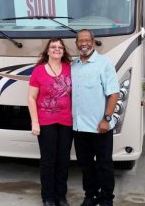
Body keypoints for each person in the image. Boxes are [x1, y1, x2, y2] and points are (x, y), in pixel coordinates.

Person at [71, 29, 120, 206]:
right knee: (85, 165)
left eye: (87, 40)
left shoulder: (104, 63)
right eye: (80, 40)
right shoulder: (73, 65)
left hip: (100, 127)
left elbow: (114, 93)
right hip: (78, 127)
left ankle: (106, 198)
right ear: (76, 43)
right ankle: (90, 195)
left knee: (104, 164)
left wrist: (106, 119)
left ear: (93, 41)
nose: (83, 43)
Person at [28, 38, 73, 206]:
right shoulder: (38, 71)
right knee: (48, 161)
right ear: (47, 51)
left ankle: (61, 196)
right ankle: (47, 197)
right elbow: (31, 98)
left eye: (60, 47)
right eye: (53, 47)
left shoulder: (70, 69)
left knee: (63, 160)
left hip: (67, 122)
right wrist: (35, 122)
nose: (57, 49)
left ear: (63, 51)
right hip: (46, 122)